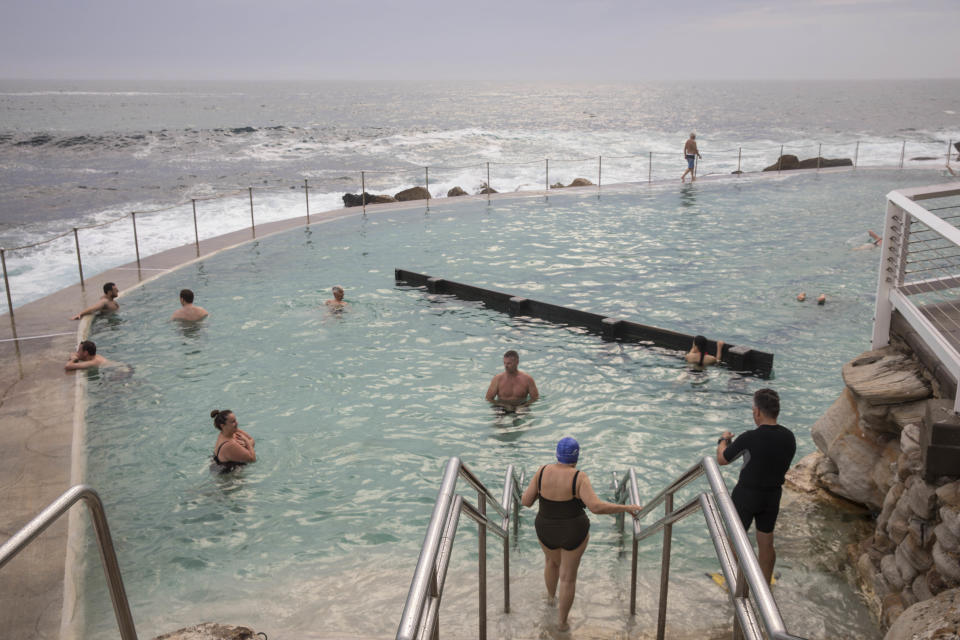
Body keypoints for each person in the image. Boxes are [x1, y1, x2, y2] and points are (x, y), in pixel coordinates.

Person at [521, 437, 641, 631]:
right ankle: (562, 623)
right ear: (576, 457)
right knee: (568, 578)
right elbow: (595, 507)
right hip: (573, 531)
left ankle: (551, 600)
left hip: (546, 529)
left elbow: (526, 501)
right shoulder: (579, 477)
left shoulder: (542, 472)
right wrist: (625, 507)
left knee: (551, 562)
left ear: (557, 454)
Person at [716, 388, 796, 585]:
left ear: (758, 412)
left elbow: (722, 459)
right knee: (766, 542)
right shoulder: (789, 437)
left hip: (746, 494)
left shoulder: (749, 437)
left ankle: (739, 581)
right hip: (772, 495)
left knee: (734, 539)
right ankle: (764, 583)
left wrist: (723, 440)